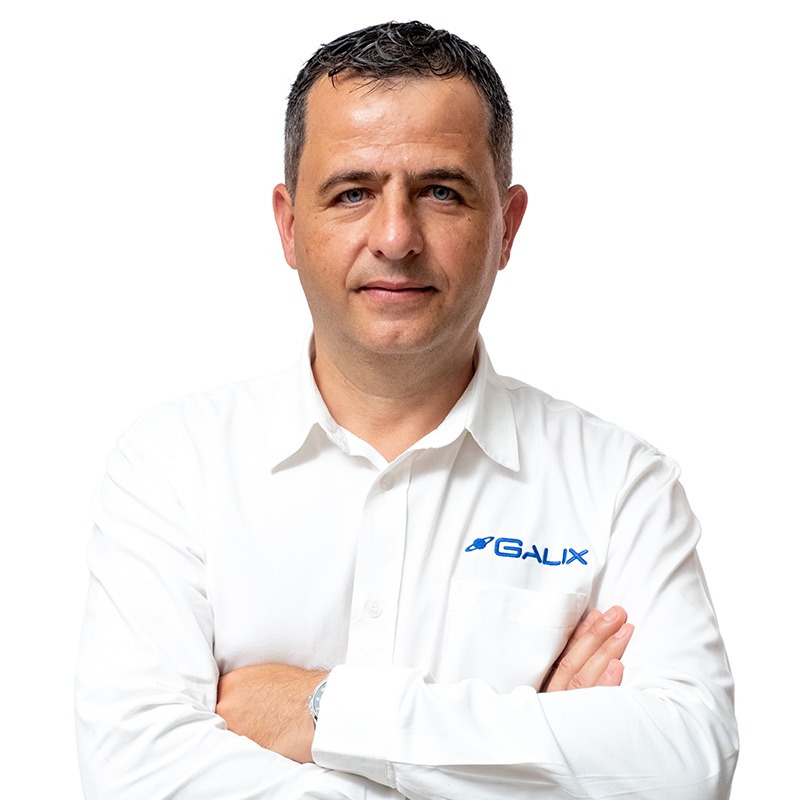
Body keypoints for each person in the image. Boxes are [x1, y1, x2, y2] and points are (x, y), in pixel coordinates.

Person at [75, 20, 738, 799]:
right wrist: (537, 758)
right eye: (353, 193)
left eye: (441, 192)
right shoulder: (172, 466)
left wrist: (325, 712)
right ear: (289, 225)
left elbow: (689, 765)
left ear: (508, 226)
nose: (395, 237)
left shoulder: (622, 486)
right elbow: (133, 771)